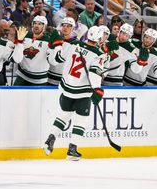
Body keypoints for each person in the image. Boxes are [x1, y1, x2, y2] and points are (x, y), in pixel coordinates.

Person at [43, 25, 105, 161]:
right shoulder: (99, 54)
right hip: (82, 92)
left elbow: (58, 58)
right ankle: (72, 150)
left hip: (66, 88)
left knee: (64, 115)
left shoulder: (73, 44)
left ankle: (50, 138)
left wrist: (57, 46)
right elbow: (95, 73)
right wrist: (97, 89)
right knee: (81, 120)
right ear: (99, 39)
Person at [14, 16, 61, 86]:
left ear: (44, 26)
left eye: (40, 24)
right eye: (35, 23)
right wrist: (18, 42)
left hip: (39, 80)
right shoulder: (24, 35)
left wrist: (54, 46)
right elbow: (17, 56)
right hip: (22, 76)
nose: (36, 25)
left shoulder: (49, 39)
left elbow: (53, 61)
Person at [47, 17, 78, 86]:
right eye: (63, 25)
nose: (65, 28)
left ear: (73, 28)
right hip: (50, 76)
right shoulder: (54, 38)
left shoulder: (75, 44)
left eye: (68, 26)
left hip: (64, 80)